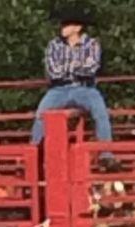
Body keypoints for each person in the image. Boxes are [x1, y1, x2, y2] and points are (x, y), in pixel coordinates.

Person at [31, 5, 119, 171]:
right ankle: (35, 153)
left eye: (66, 25)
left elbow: (91, 67)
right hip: (59, 89)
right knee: (41, 114)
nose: (62, 28)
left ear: (77, 28)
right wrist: (76, 69)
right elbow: (52, 71)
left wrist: (68, 70)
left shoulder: (92, 44)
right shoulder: (54, 45)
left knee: (101, 113)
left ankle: (106, 154)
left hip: (84, 88)